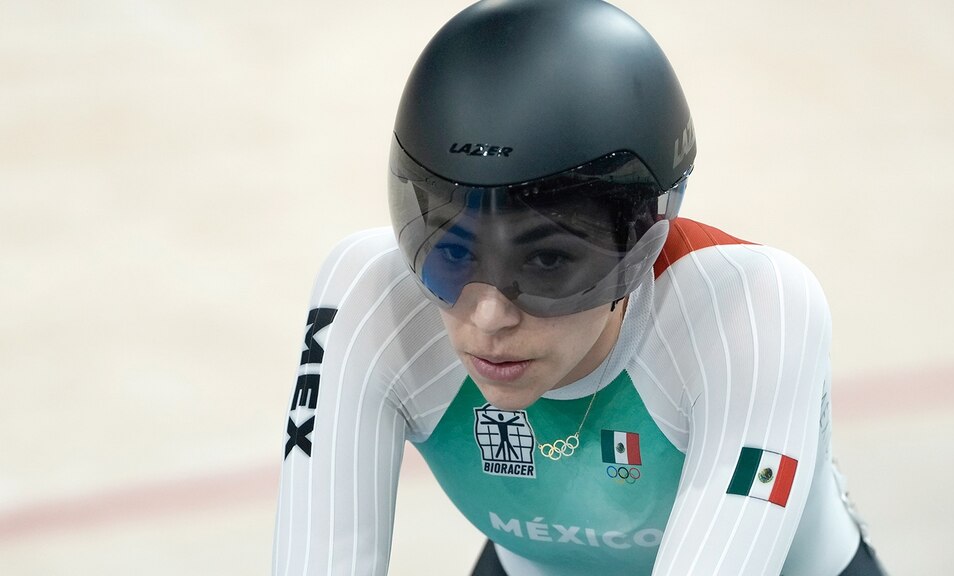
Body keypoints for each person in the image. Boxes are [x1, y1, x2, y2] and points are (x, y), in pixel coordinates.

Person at [272, 0, 885, 574]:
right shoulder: (371, 294)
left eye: (545, 263)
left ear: (642, 241)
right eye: (453, 255)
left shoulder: (752, 309)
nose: (487, 317)